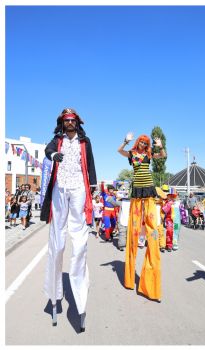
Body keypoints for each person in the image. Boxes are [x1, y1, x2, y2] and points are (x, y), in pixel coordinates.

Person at [41, 108, 96, 331]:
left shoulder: (85, 141)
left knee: (79, 236)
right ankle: (54, 295)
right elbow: (48, 150)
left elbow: (90, 163)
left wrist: (93, 185)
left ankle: (80, 293)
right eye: (67, 120)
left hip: (79, 187)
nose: (70, 123)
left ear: (77, 123)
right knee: (57, 240)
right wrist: (54, 155)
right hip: (60, 188)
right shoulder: (58, 140)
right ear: (62, 123)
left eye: (73, 120)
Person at [117, 132, 166, 302]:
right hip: (137, 194)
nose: (144, 145)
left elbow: (163, 156)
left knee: (152, 229)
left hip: (149, 192)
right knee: (134, 230)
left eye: (146, 143)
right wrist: (125, 141)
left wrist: (159, 145)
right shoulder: (132, 155)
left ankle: (150, 283)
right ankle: (130, 279)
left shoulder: (149, 155)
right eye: (142, 143)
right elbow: (119, 151)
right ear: (137, 143)